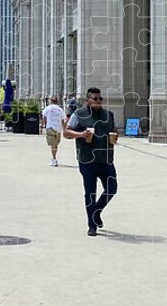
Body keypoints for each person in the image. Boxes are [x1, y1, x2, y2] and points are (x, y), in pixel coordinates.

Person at [64, 87, 118, 236]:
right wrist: (81, 134)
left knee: (112, 188)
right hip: (87, 160)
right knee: (90, 193)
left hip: (106, 159)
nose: (99, 101)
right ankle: (91, 225)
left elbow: (113, 131)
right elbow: (66, 132)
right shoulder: (78, 114)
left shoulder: (108, 115)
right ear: (88, 100)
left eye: (100, 99)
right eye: (96, 98)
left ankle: (96, 212)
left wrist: (115, 136)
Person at [41, 95, 66, 167]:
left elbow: (44, 118)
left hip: (50, 127)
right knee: (55, 144)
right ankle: (54, 158)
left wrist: (42, 126)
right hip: (58, 128)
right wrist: (64, 129)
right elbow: (63, 120)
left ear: (50, 101)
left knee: (53, 144)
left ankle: (54, 159)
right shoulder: (60, 109)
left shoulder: (47, 108)